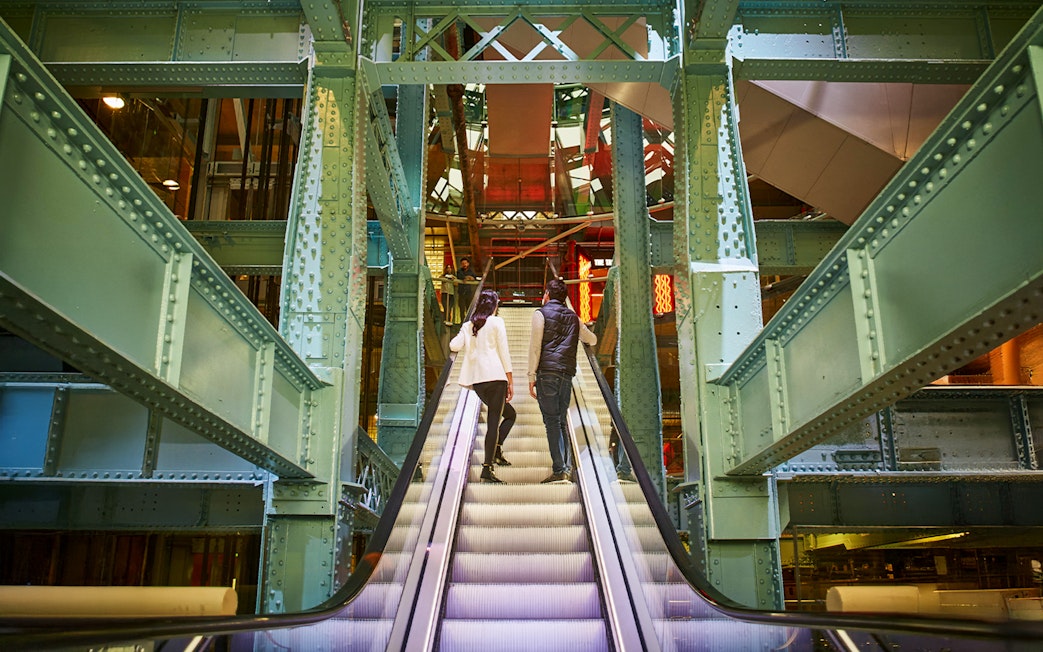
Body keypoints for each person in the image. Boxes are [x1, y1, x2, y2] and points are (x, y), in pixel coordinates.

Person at [527, 278, 596, 483]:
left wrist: (531, 376)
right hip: (567, 374)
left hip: (547, 373)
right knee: (561, 420)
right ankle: (565, 468)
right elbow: (591, 339)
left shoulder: (540, 314)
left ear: (547, 294)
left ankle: (560, 470)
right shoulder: (574, 317)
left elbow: (535, 347)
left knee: (551, 422)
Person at [450, 289, 517, 483]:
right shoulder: (496, 322)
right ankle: (487, 468)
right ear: (494, 306)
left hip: (478, 381)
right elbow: (503, 351)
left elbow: (454, 346)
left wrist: (466, 334)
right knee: (494, 422)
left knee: (509, 415)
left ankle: (495, 450)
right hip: (496, 378)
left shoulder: (469, 326)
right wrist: (510, 380)